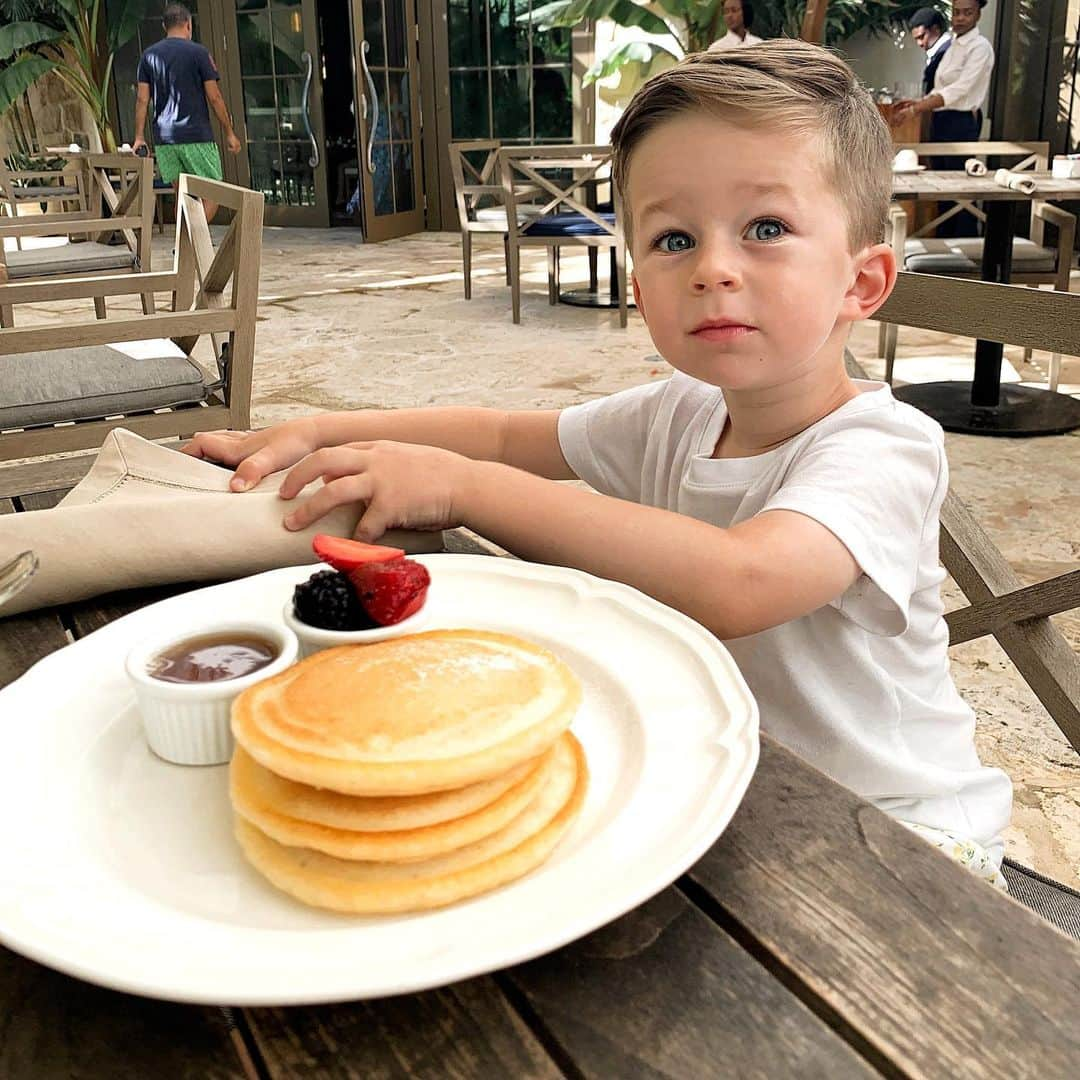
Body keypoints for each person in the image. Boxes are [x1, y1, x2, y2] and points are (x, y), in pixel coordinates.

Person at [184, 41, 1013, 886]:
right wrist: (324, 430)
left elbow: (743, 581)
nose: (713, 270)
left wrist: (466, 490)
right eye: (673, 238)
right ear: (642, 290)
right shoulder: (679, 413)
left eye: (766, 229)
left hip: (905, 839)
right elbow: (506, 435)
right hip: (736, 783)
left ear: (862, 282)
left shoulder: (881, 447)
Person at [133, 2, 242, 224]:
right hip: (195, 135)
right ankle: (189, 244)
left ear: (165, 26)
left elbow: (143, 99)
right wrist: (229, 132)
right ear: (188, 24)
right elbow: (214, 97)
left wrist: (139, 137)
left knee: (182, 195)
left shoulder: (148, 56)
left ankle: (183, 249)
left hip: (164, 139)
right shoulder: (199, 53)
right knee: (213, 192)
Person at [893, 0, 994, 235]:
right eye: (957, 13)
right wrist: (918, 102)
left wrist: (917, 109)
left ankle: (966, 242)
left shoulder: (980, 47)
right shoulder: (954, 46)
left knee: (961, 187)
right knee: (941, 187)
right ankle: (945, 244)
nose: (960, 18)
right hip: (941, 119)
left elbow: (960, 90)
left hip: (961, 121)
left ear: (978, 14)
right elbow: (940, 88)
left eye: (967, 13)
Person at [908, 6, 951, 97]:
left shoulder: (949, 51)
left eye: (922, 36)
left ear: (936, 29)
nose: (919, 43)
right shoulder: (941, 51)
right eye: (916, 39)